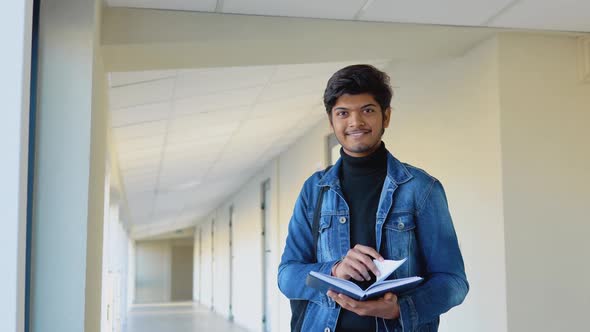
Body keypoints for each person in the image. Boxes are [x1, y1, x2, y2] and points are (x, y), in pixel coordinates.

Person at [278, 64, 469, 332]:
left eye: (367, 110)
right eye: (343, 113)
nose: (355, 122)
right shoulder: (314, 190)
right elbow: (287, 276)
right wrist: (334, 271)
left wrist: (401, 309)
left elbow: (453, 282)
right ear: (331, 121)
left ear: (386, 116)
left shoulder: (422, 189)